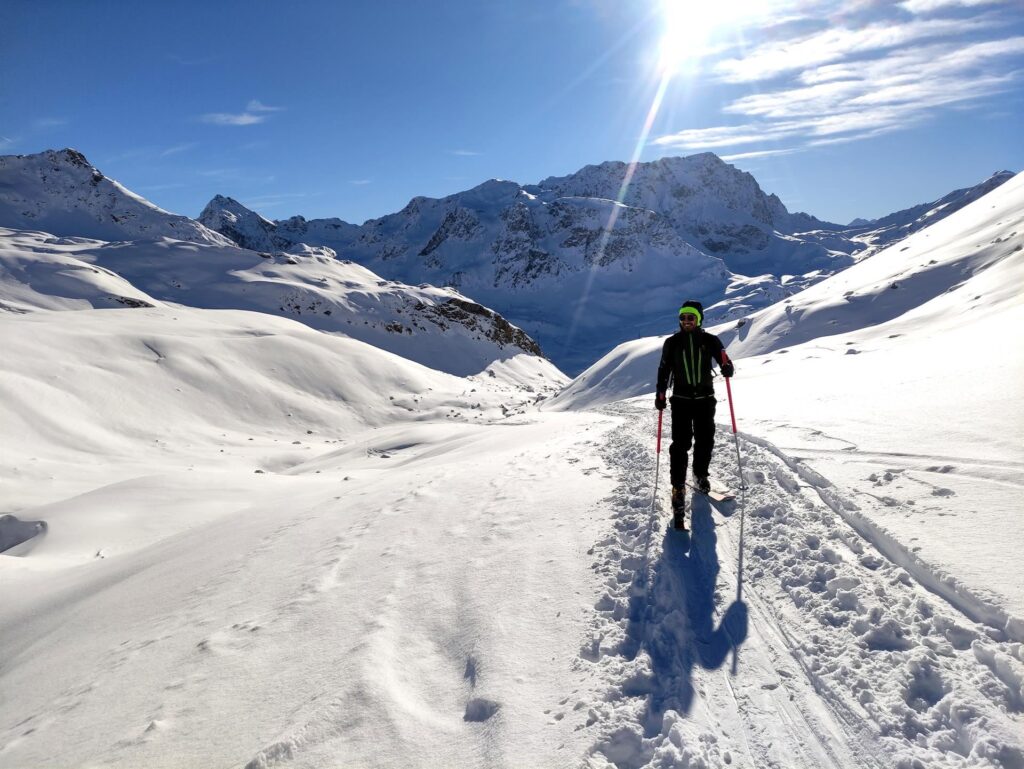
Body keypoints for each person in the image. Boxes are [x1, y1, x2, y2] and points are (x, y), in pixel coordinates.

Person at [655, 300, 734, 529]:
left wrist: (727, 368)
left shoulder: (710, 340)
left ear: (699, 319)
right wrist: (660, 394)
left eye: (691, 318)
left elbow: (724, 360)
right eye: (683, 318)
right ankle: (678, 487)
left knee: (705, 441)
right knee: (680, 445)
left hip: (704, 400)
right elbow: (663, 370)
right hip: (680, 401)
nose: (687, 321)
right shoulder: (672, 343)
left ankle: (700, 475)